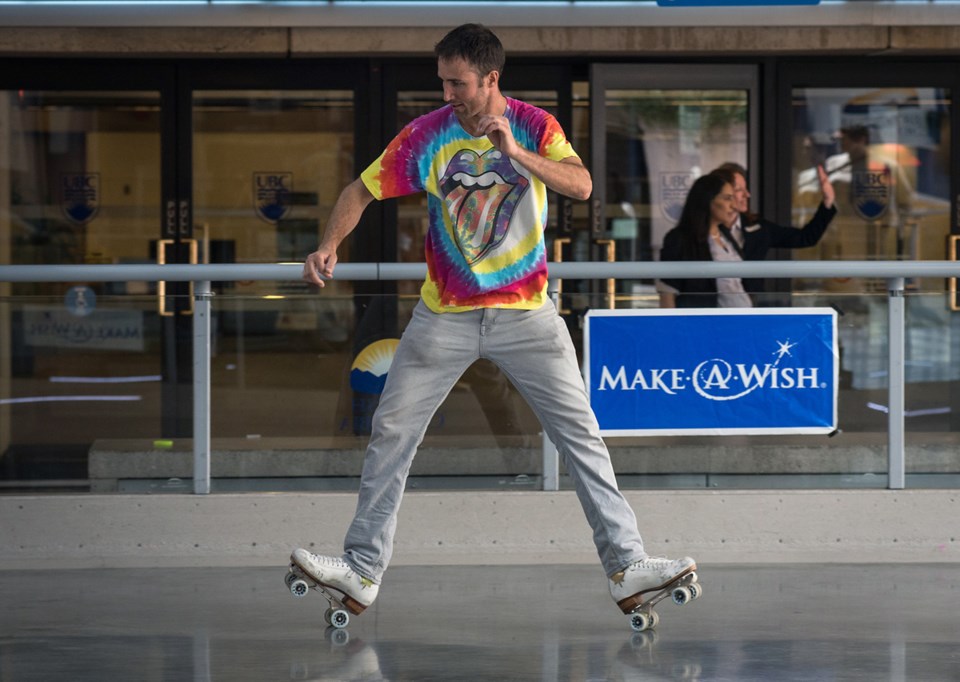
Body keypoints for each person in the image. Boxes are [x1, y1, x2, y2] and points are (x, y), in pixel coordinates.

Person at [292, 23, 696, 622]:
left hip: (528, 317)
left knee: (582, 438)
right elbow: (360, 188)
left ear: (491, 79)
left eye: (457, 83)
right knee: (392, 433)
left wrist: (516, 154)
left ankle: (626, 566)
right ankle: (361, 569)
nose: (448, 93)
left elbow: (581, 185)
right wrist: (329, 245)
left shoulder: (535, 126)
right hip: (443, 318)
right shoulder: (427, 135)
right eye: (443, 81)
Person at [658, 163, 837, 308]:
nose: (743, 197)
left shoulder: (750, 229)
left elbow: (805, 238)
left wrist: (827, 203)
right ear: (710, 198)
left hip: (745, 319)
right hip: (706, 327)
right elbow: (668, 293)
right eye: (735, 192)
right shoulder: (682, 239)